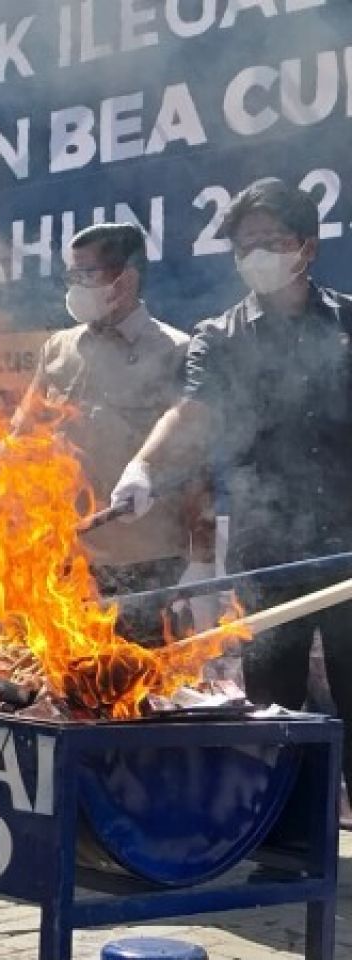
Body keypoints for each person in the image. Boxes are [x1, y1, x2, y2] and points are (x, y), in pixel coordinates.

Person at [111, 179, 352, 808]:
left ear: (306, 247)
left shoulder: (350, 320)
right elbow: (191, 411)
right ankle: (286, 850)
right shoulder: (220, 336)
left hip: (349, 550)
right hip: (267, 552)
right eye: (247, 245)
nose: (259, 255)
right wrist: (141, 466)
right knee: (275, 710)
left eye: (272, 241)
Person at [0, 223, 216, 645]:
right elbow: (22, 441)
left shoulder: (174, 351)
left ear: (126, 279)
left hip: (140, 559)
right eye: (72, 275)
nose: (75, 287)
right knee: (59, 688)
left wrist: (201, 558)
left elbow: (194, 462)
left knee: (128, 691)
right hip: (62, 552)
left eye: (87, 275)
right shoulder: (58, 349)